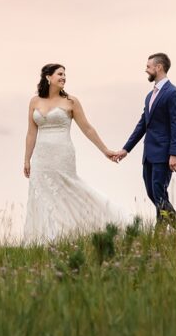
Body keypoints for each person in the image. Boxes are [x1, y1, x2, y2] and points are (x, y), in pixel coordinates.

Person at [22, 63, 126, 243]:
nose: (63, 77)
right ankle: (45, 239)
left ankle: (105, 221)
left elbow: (87, 128)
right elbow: (31, 133)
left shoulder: (71, 101)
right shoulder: (34, 101)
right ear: (48, 77)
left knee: (67, 189)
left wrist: (105, 150)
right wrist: (27, 159)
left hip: (62, 153)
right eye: (59, 74)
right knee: (40, 193)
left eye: (64, 75)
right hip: (40, 157)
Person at [111, 52, 176, 229]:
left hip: (164, 154)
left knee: (159, 195)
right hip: (149, 154)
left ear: (159, 67)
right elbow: (142, 125)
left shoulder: (173, 93)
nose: (146, 70)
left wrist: (174, 153)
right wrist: (125, 149)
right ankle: (161, 238)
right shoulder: (149, 96)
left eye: (149, 66)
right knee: (154, 195)